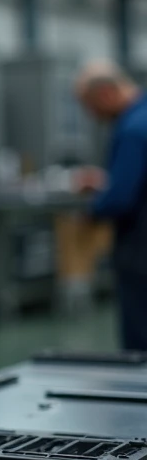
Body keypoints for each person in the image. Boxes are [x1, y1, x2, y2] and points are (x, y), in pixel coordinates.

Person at [75, 60, 147, 349]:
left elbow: (120, 199)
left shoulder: (132, 128)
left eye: (90, 107)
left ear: (105, 93)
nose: (92, 116)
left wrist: (91, 210)